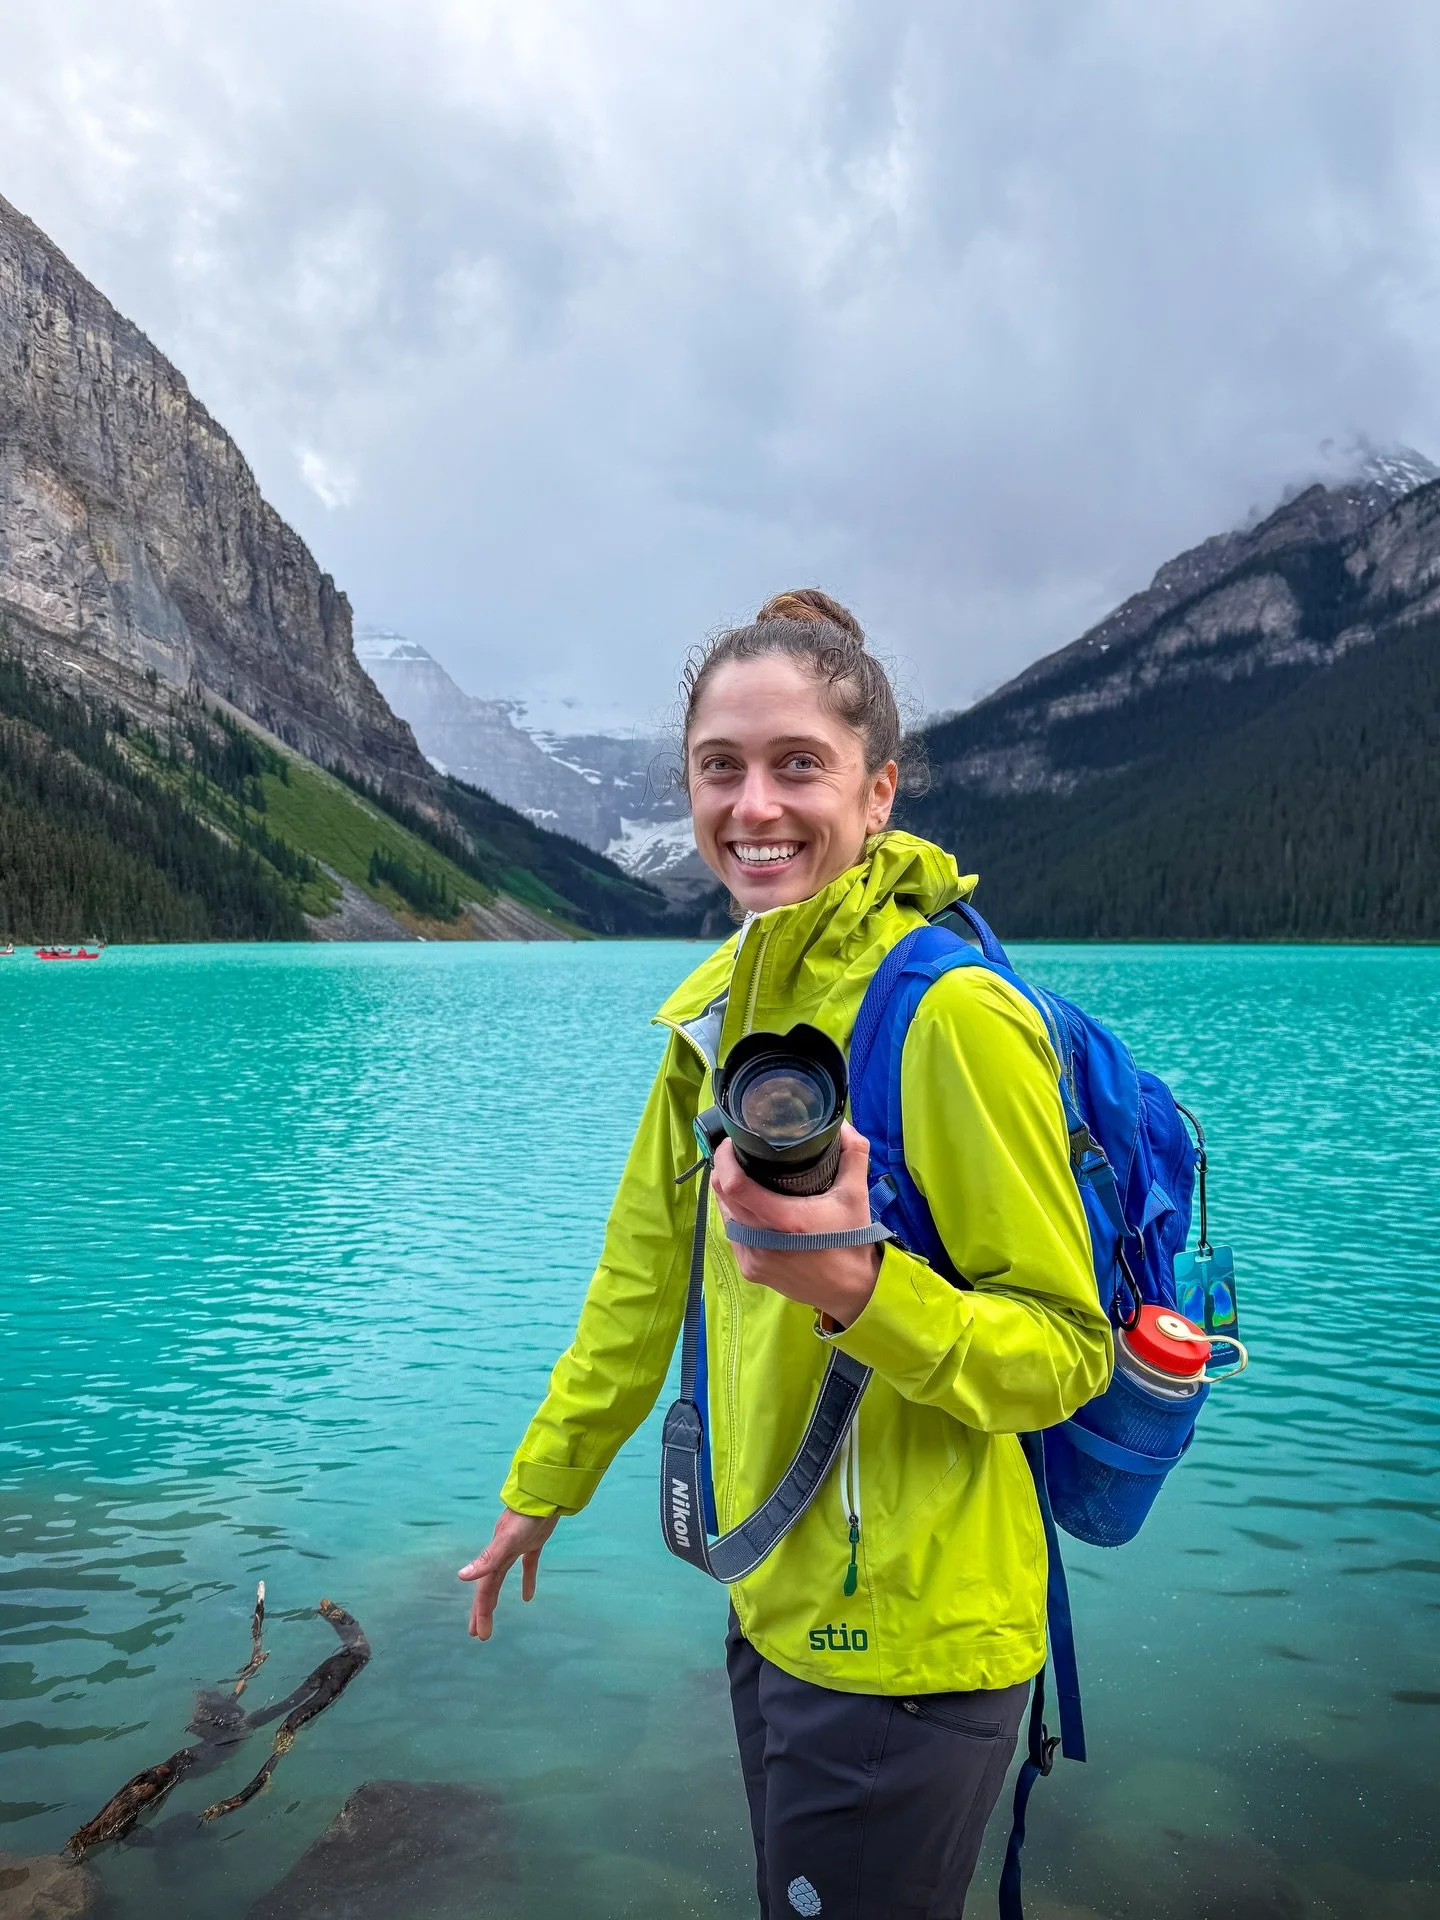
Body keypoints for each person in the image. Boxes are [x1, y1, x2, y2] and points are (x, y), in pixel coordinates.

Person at [460, 589, 1112, 1919]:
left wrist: (863, 1292)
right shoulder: (712, 1027)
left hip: (917, 1641)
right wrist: (547, 1481)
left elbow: (1066, 1352)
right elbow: (638, 1288)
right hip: (777, 1602)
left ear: (877, 795)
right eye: (721, 768)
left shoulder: (951, 1018)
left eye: (797, 765)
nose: (753, 806)